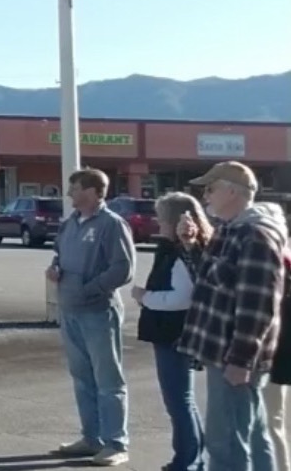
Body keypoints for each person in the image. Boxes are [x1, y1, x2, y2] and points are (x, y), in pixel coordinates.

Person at [177, 161, 288, 471]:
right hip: (226, 353)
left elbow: (258, 305)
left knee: (225, 442)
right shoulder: (233, 229)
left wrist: (241, 360)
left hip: (233, 356)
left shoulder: (255, 235)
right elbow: (213, 280)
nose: (205, 196)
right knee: (252, 435)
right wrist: (191, 246)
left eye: (210, 189)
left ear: (232, 192)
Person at [47, 167, 136, 467]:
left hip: (99, 312)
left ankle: (116, 443)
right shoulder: (69, 224)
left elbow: (123, 269)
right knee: (82, 378)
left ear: (93, 191)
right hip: (70, 311)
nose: (69, 193)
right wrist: (54, 269)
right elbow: (58, 256)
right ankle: (91, 438)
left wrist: (90, 289)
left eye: (74, 188)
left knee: (108, 380)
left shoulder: (112, 224)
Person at [132, 192, 208, 471]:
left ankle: (187, 461)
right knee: (182, 400)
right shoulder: (175, 250)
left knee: (178, 400)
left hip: (173, 331)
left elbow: (181, 298)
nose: (157, 223)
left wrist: (145, 297)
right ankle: (191, 457)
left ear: (175, 221)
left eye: (161, 218)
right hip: (171, 330)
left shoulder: (180, 253)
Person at [267, 226, 291, 471]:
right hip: (277, 355)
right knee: (273, 420)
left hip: (274, 355)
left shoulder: (279, 261)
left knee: (270, 421)